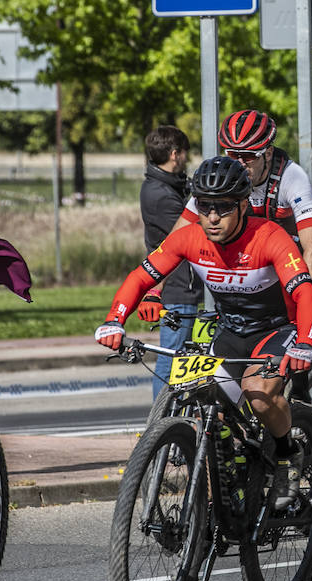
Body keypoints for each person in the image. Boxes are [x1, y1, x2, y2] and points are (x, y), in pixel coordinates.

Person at [97, 157, 312, 509]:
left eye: (223, 208)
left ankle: (286, 455)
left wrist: (305, 343)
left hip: (276, 330)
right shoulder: (189, 237)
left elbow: (305, 292)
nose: (212, 217)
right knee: (203, 400)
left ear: (244, 205)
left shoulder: (269, 236)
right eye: (204, 206)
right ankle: (223, 486)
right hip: (230, 330)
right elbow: (142, 277)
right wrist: (115, 320)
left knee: (258, 393)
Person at [172, 109, 312, 293]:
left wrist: (304, 308)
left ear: (268, 153)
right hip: (262, 263)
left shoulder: (292, 177)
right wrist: (154, 291)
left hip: (304, 260)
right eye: (233, 155)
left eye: (249, 156)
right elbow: (175, 238)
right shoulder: (223, 178)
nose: (241, 162)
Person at [138, 126, 201, 397]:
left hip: (180, 286)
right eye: (184, 152)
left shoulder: (164, 186)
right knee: (171, 359)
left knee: (183, 359)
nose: (186, 158)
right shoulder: (161, 195)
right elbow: (189, 234)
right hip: (177, 287)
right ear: (175, 154)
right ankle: (161, 423)